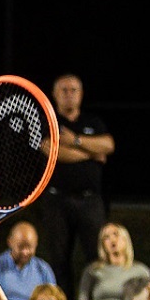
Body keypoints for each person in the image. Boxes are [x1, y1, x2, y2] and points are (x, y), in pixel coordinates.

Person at [36, 75, 114, 288]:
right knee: (59, 260)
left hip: (90, 201)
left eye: (74, 90)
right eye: (64, 90)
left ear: (81, 94)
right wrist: (91, 152)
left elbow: (108, 145)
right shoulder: (47, 122)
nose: (69, 94)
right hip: (57, 201)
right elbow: (53, 151)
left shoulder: (93, 122)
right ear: (54, 94)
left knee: (96, 257)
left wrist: (75, 141)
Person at [71, 223, 150, 300]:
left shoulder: (140, 271)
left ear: (125, 240)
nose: (112, 240)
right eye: (106, 237)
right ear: (102, 244)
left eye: (116, 235)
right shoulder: (93, 270)